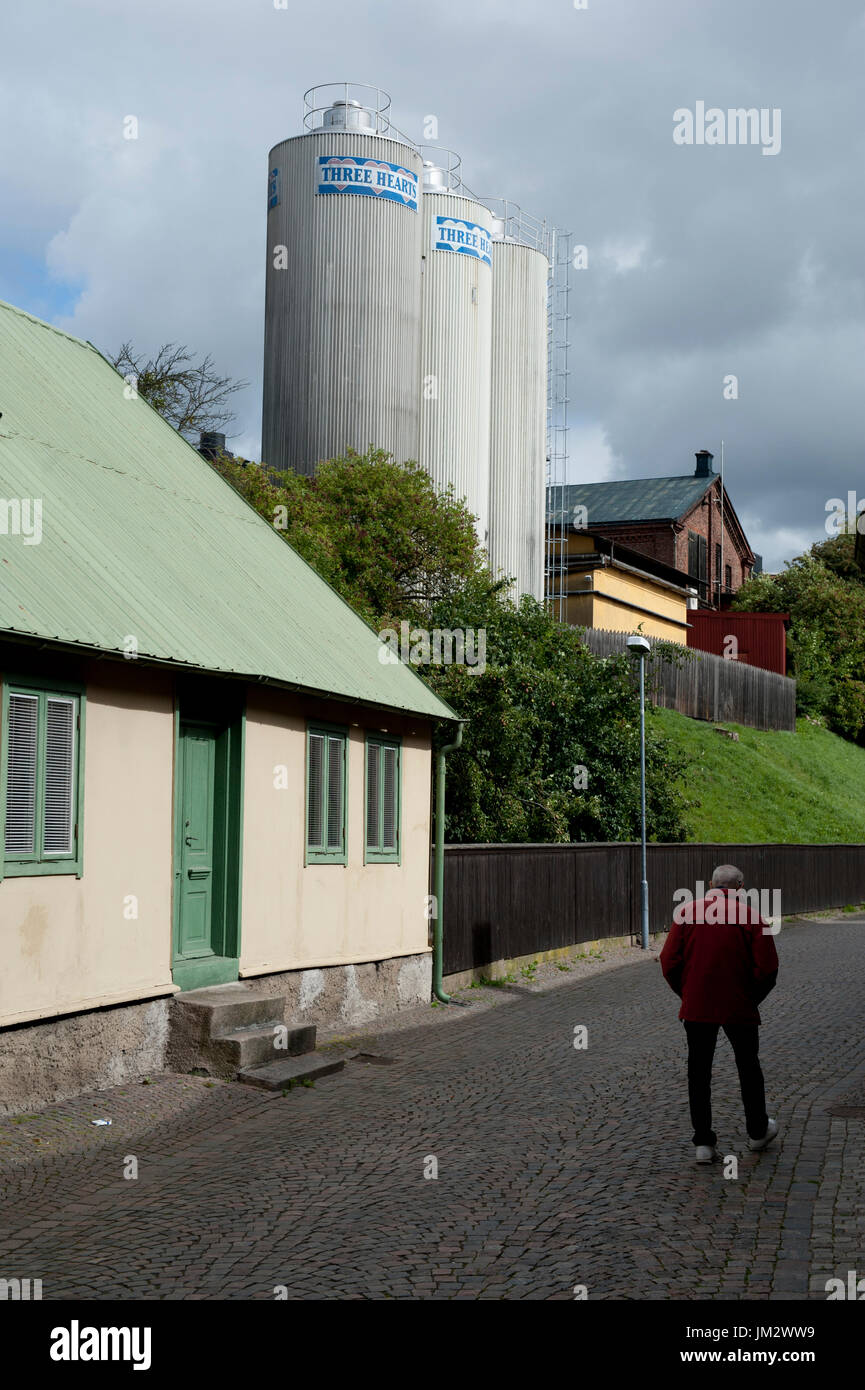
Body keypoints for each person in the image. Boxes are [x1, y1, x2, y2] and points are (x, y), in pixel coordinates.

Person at [659, 864, 780, 1164]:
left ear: (710, 884)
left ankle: (703, 1142)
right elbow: (768, 968)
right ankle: (757, 1131)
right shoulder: (752, 917)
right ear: (740, 887)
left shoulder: (686, 913)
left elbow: (668, 961)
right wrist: (751, 998)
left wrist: (686, 993)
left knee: (698, 1072)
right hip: (739, 1004)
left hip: (698, 1005)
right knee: (749, 1068)